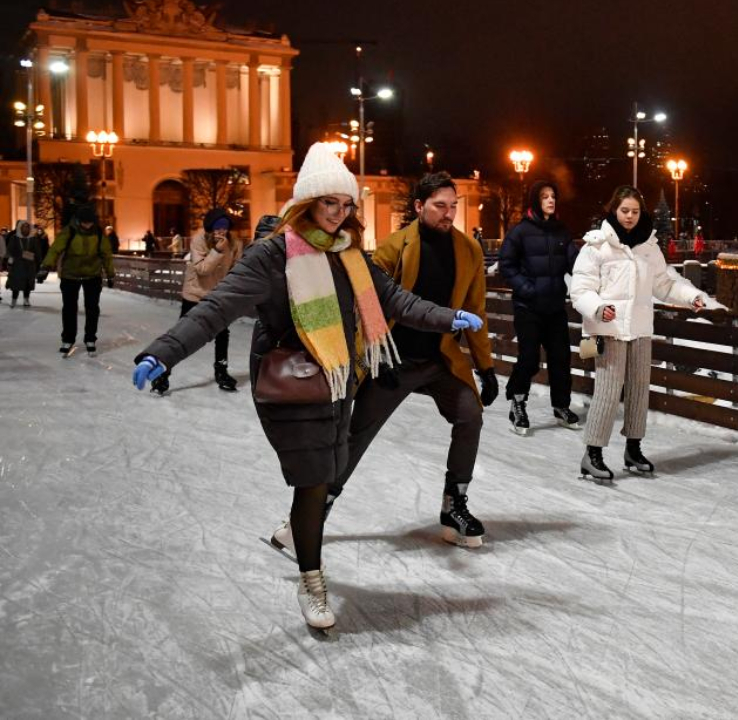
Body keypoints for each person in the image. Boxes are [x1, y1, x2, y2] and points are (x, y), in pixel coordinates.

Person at [130, 142, 482, 629]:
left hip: (337, 381)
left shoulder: (349, 254)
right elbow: (216, 309)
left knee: (327, 472)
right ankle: (312, 581)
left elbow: (397, 301)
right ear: (306, 204)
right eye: (328, 203)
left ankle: (298, 537)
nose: (338, 214)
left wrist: (449, 318)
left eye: (345, 205)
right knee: (315, 480)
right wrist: (162, 352)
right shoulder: (273, 257)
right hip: (290, 384)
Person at [272, 172, 497, 552]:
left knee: (469, 414)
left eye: (453, 206)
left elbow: (474, 309)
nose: (448, 214)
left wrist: (486, 367)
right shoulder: (396, 247)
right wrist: (376, 356)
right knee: (355, 436)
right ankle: (306, 520)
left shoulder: (468, 250)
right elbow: (367, 306)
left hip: (440, 358)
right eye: (440, 206)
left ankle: (453, 505)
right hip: (393, 358)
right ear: (419, 207)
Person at [569, 186, 714, 482]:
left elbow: (665, 284)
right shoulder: (596, 246)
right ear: (613, 210)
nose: (630, 217)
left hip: (640, 329)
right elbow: (580, 290)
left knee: (638, 390)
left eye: (635, 211)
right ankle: (592, 453)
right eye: (625, 211)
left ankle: (633, 449)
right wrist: (598, 308)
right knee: (608, 392)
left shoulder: (649, 247)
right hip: (608, 330)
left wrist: (691, 297)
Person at [498, 180, 580, 435]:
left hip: (555, 307)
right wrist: (527, 289)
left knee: (560, 359)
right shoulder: (520, 232)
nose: (551, 200)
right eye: (545, 196)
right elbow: (506, 266)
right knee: (529, 359)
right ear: (536, 200)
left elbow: (575, 264)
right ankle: (518, 402)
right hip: (528, 308)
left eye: (553, 196)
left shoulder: (561, 232)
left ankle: (561, 406)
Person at [150, 208, 245, 395]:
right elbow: (202, 269)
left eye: (224, 228)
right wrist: (217, 250)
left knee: (222, 335)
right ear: (210, 228)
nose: (221, 232)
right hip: (195, 295)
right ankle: (163, 374)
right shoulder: (199, 241)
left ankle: (221, 372)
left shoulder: (234, 244)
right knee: (181, 335)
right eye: (217, 228)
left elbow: (236, 269)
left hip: (218, 296)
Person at [41, 205, 115, 357]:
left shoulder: (99, 234)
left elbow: (106, 254)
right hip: (70, 274)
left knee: (92, 308)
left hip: (92, 275)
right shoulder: (69, 231)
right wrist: (46, 266)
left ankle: (90, 339)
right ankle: (68, 339)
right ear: (79, 221)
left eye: (90, 222)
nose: (88, 225)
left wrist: (110, 274)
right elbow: (55, 249)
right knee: (69, 308)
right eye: (85, 222)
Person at [5, 221, 43, 308]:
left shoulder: (33, 239)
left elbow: (37, 251)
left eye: (27, 227)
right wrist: (10, 261)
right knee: (16, 283)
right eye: (24, 227)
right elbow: (10, 250)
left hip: (29, 265)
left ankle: (26, 299)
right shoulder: (14, 238)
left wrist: (39, 262)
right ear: (20, 228)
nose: (26, 229)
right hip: (17, 264)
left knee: (28, 283)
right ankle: (14, 300)